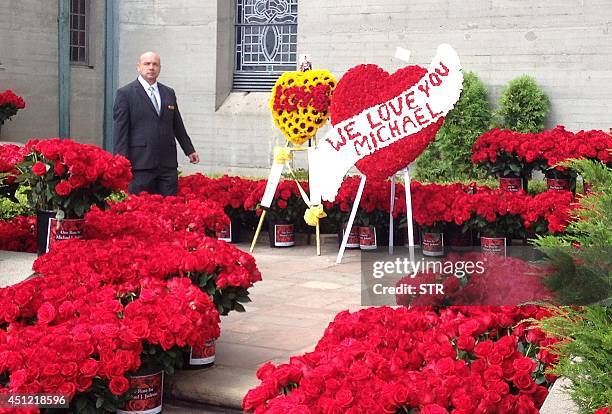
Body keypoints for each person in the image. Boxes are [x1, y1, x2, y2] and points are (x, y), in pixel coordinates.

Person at [113, 51, 199, 196]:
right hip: (140, 164)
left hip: (167, 165)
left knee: (169, 209)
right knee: (141, 212)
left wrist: (189, 150)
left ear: (160, 68)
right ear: (138, 67)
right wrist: (121, 163)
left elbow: (177, 124)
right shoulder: (125, 94)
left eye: (155, 64)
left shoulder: (168, 92)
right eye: (147, 64)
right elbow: (120, 131)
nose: (151, 67)